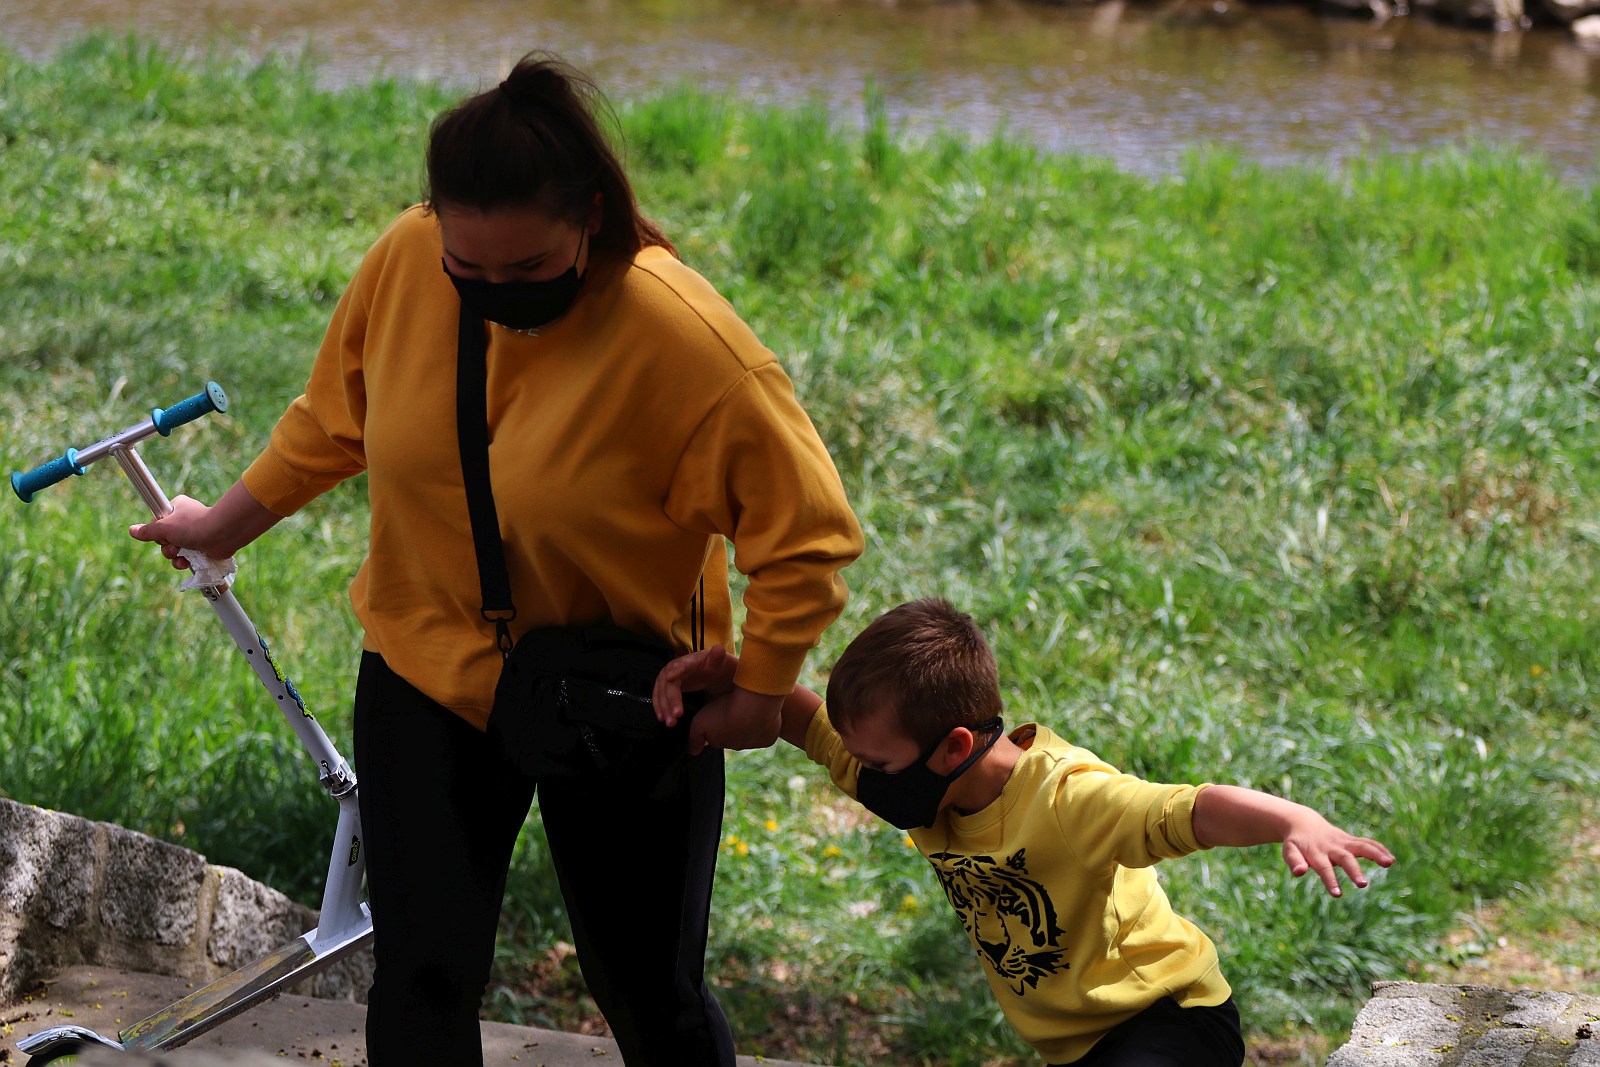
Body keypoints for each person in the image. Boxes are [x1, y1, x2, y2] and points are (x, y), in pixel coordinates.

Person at [130, 52, 863, 1066]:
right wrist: (224, 525)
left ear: (590, 220)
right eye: (465, 271)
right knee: (425, 971)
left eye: (525, 272)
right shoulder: (403, 260)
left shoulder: (685, 344)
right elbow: (336, 418)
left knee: (646, 987)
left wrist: (762, 688)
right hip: (425, 665)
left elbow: (808, 537)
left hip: (623, 691)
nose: (492, 295)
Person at [654, 598, 1395, 1067]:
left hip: (1166, 1017)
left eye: (877, 762)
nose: (863, 776)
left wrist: (1294, 820)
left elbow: (1187, 809)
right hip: (1073, 1042)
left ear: (953, 746)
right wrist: (734, 683)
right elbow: (801, 719)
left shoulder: (1068, 798)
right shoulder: (918, 766)